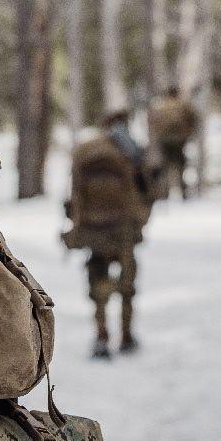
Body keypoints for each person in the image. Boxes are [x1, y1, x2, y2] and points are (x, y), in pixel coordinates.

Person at [63, 109, 153, 359]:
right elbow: (147, 190)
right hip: (123, 226)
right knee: (127, 282)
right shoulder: (131, 152)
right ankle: (126, 335)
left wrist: (75, 222)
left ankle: (102, 333)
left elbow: (73, 192)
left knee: (98, 278)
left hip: (93, 227)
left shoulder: (85, 149)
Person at [146, 86, 199, 201]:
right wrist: (188, 133)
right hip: (179, 139)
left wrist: (157, 135)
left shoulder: (160, 106)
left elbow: (153, 121)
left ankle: (164, 193)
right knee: (180, 165)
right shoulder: (183, 105)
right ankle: (183, 191)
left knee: (165, 166)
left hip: (164, 139)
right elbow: (193, 118)